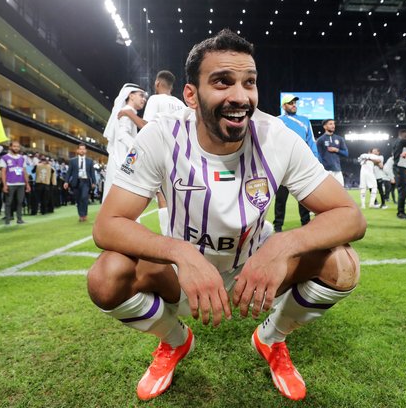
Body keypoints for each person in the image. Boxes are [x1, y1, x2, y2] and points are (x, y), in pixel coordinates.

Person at [87, 29, 365, 402]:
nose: (240, 96)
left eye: (249, 82)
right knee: (105, 278)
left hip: (256, 275)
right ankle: (175, 341)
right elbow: (107, 225)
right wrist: (181, 253)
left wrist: (284, 245)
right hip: (180, 277)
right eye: (222, 82)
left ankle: (271, 339)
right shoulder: (161, 136)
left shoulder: (276, 137)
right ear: (190, 95)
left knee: (343, 264)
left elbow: (351, 216)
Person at [118, 70, 188, 236]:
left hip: (162, 152)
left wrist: (128, 113)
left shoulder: (155, 99)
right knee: (179, 199)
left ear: (157, 83)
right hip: (182, 154)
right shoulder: (181, 104)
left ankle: (169, 239)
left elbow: (147, 126)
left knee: (162, 198)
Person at [273, 93, 320, 232]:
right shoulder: (277, 121)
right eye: (290, 103)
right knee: (281, 199)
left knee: (304, 196)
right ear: (284, 106)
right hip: (283, 165)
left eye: (295, 103)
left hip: (303, 164)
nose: (294, 105)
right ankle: (278, 226)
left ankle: (306, 224)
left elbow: (311, 140)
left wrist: (315, 159)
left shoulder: (305, 120)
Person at [102, 83, 147, 200]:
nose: (144, 99)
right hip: (122, 161)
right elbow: (122, 135)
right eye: (141, 95)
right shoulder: (126, 112)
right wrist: (138, 150)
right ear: (131, 96)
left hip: (122, 160)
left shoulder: (128, 112)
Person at [0, 140, 31, 225]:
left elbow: (24, 171)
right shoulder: (5, 158)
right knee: (8, 202)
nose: (16, 148)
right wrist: (4, 184)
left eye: (18, 146)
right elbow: (3, 172)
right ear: (10, 147)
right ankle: (7, 221)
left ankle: (19, 219)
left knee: (20, 202)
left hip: (21, 184)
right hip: (10, 183)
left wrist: (27, 184)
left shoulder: (22, 158)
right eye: (14, 146)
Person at [64, 143, 95, 222]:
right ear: (77, 150)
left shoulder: (90, 161)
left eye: (83, 149)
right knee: (78, 199)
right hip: (76, 182)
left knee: (84, 197)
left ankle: (84, 214)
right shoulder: (72, 161)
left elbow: (92, 172)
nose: (82, 150)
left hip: (86, 182)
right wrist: (66, 182)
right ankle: (81, 215)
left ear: (86, 150)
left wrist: (93, 182)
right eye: (80, 149)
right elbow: (69, 172)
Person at [316, 118, 348, 186]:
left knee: (340, 191)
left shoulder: (339, 139)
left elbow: (346, 153)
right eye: (330, 124)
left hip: (337, 169)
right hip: (326, 171)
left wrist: (336, 150)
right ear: (325, 126)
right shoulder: (320, 140)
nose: (333, 125)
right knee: (327, 192)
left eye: (333, 124)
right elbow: (318, 155)